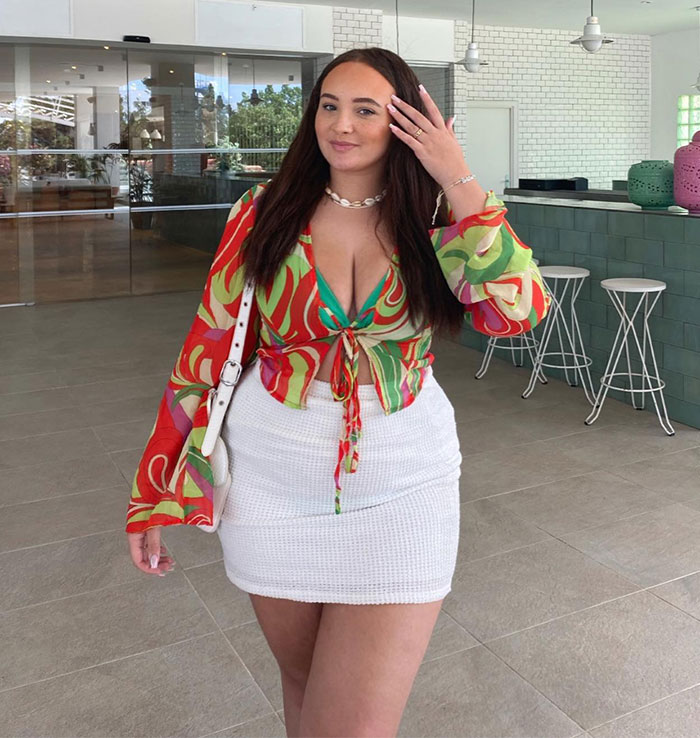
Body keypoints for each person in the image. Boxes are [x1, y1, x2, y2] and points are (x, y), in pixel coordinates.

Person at [125, 47, 549, 737]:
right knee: (306, 689)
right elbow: (203, 353)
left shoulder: (438, 216)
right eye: (329, 105)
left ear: (406, 122)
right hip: (272, 474)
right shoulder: (263, 212)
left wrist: (460, 178)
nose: (340, 125)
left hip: (403, 477)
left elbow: (517, 311)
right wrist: (154, 490)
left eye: (365, 110)